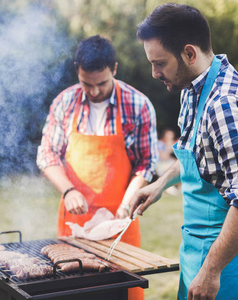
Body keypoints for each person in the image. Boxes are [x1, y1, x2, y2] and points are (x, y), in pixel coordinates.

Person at [129, 3, 238, 299]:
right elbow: (195, 154)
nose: (154, 73)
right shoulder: (193, 88)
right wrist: (159, 185)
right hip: (198, 245)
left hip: (227, 257)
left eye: (160, 63)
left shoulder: (225, 105)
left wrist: (212, 271)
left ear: (189, 53)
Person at [37, 35, 158, 300]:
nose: (93, 91)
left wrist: (126, 206)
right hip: (74, 223)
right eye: (86, 83)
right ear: (76, 69)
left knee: (123, 294)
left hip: (118, 221)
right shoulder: (64, 103)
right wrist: (68, 191)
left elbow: (146, 163)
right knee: (73, 294)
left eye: (101, 83)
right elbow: (47, 155)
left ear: (114, 68)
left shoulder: (137, 106)